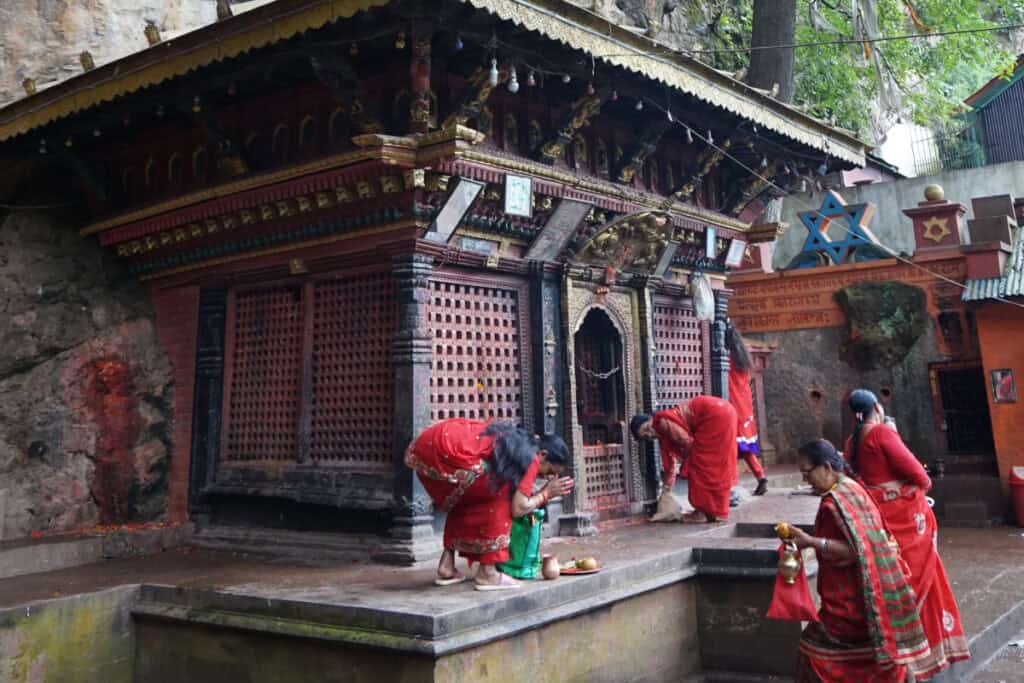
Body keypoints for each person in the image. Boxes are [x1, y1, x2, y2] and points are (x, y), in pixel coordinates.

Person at [845, 389, 970, 678]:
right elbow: (922, 477)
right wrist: (902, 488)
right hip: (904, 521)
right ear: (876, 406)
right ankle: (921, 652)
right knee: (921, 578)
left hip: (877, 521)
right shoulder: (881, 435)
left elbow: (857, 478)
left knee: (889, 581)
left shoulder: (851, 442)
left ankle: (894, 649)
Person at [784, 439, 931, 682]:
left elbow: (857, 550)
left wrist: (811, 542)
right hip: (868, 594)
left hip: (855, 603)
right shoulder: (851, 487)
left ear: (827, 468)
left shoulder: (837, 501)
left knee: (813, 650)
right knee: (877, 656)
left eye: (807, 473)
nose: (805, 480)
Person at [405, 419, 573, 591]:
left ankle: (446, 566)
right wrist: (546, 494)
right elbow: (519, 508)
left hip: (428, 445)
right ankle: (488, 572)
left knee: (468, 498)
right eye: (550, 471)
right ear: (543, 454)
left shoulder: (520, 443)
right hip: (449, 454)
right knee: (500, 496)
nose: (546, 477)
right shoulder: (533, 459)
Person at [630, 395, 737, 523]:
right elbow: (671, 462)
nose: (650, 433)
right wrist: (667, 488)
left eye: (647, 428)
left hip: (714, 416)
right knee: (717, 465)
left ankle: (702, 512)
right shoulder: (662, 428)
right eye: (646, 436)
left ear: (651, 419)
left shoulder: (660, 422)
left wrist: (689, 463)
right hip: (726, 411)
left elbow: (686, 442)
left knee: (700, 468)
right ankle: (717, 511)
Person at [727, 324, 769, 496]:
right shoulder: (743, 358)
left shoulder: (726, 358)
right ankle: (760, 476)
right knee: (744, 448)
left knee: (730, 445)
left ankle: (732, 483)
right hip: (745, 405)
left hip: (733, 404)